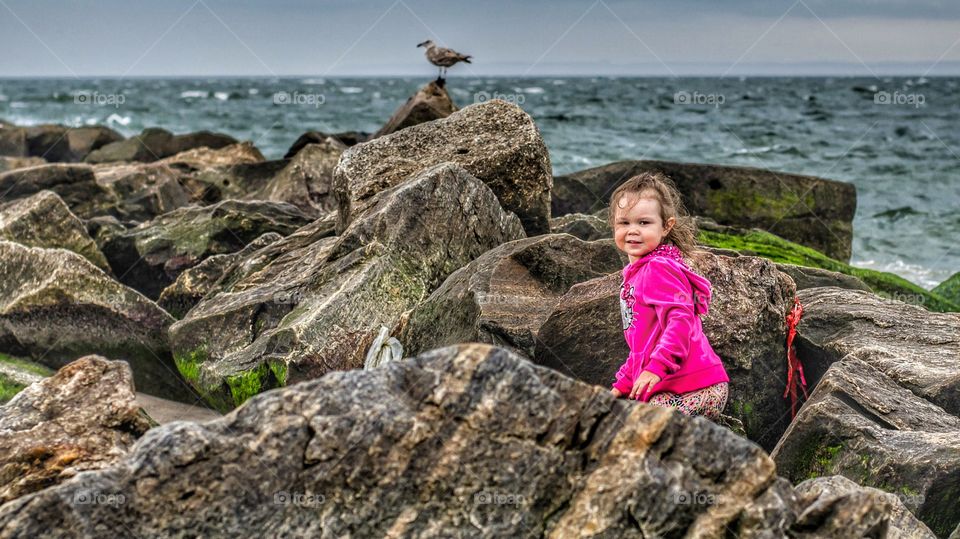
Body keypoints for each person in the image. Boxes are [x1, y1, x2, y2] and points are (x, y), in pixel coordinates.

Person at [608, 172, 729, 420]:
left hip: (696, 387)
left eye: (644, 223)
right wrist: (623, 384)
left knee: (634, 433)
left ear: (666, 226)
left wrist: (656, 368)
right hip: (675, 386)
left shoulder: (658, 268)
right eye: (624, 223)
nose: (633, 231)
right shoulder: (637, 272)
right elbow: (641, 345)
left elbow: (681, 319)